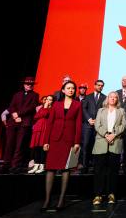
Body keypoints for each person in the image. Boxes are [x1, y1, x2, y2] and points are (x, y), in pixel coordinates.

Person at [41, 80, 82, 211]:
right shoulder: (56, 105)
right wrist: (46, 141)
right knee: (50, 169)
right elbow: (50, 124)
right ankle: (47, 200)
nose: (71, 90)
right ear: (63, 90)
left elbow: (78, 124)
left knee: (66, 169)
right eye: (68, 88)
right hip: (54, 140)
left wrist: (76, 142)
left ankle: (61, 200)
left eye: (73, 88)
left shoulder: (77, 105)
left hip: (68, 140)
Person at [92, 92, 126, 205]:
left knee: (113, 171)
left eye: (115, 97)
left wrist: (114, 134)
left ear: (117, 99)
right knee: (99, 170)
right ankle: (98, 195)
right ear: (107, 98)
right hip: (101, 142)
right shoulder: (101, 110)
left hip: (115, 142)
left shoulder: (121, 111)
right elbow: (97, 125)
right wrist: (106, 134)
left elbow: (124, 125)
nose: (113, 98)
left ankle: (111, 194)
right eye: (111, 97)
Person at [4, 76, 40, 174]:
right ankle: (6, 164)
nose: (29, 85)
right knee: (9, 143)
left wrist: (19, 114)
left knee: (20, 145)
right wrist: (15, 115)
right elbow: (12, 106)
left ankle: (15, 165)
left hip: (25, 122)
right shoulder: (17, 94)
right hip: (13, 121)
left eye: (31, 84)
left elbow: (32, 107)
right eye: (28, 84)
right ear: (24, 85)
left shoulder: (35, 95)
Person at [81, 80, 106, 173]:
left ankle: (96, 167)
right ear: (94, 85)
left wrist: (98, 121)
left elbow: (105, 110)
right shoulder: (88, 97)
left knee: (97, 146)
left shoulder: (105, 97)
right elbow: (83, 109)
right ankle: (84, 166)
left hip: (99, 126)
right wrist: (89, 119)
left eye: (102, 86)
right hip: (87, 125)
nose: (100, 87)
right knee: (86, 146)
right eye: (98, 85)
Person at [28, 95, 53, 174]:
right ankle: (36, 165)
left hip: (45, 128)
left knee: (42, 147)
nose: (48, 101)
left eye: (50, 100)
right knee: (36, 147)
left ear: (52, 101)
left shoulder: (51, 109)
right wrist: (43, 108)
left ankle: (42, 166)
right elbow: (36, 117)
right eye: (46, 99)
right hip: (38, 128)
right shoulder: (41, 108)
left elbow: (45, 114)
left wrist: (45, 107)